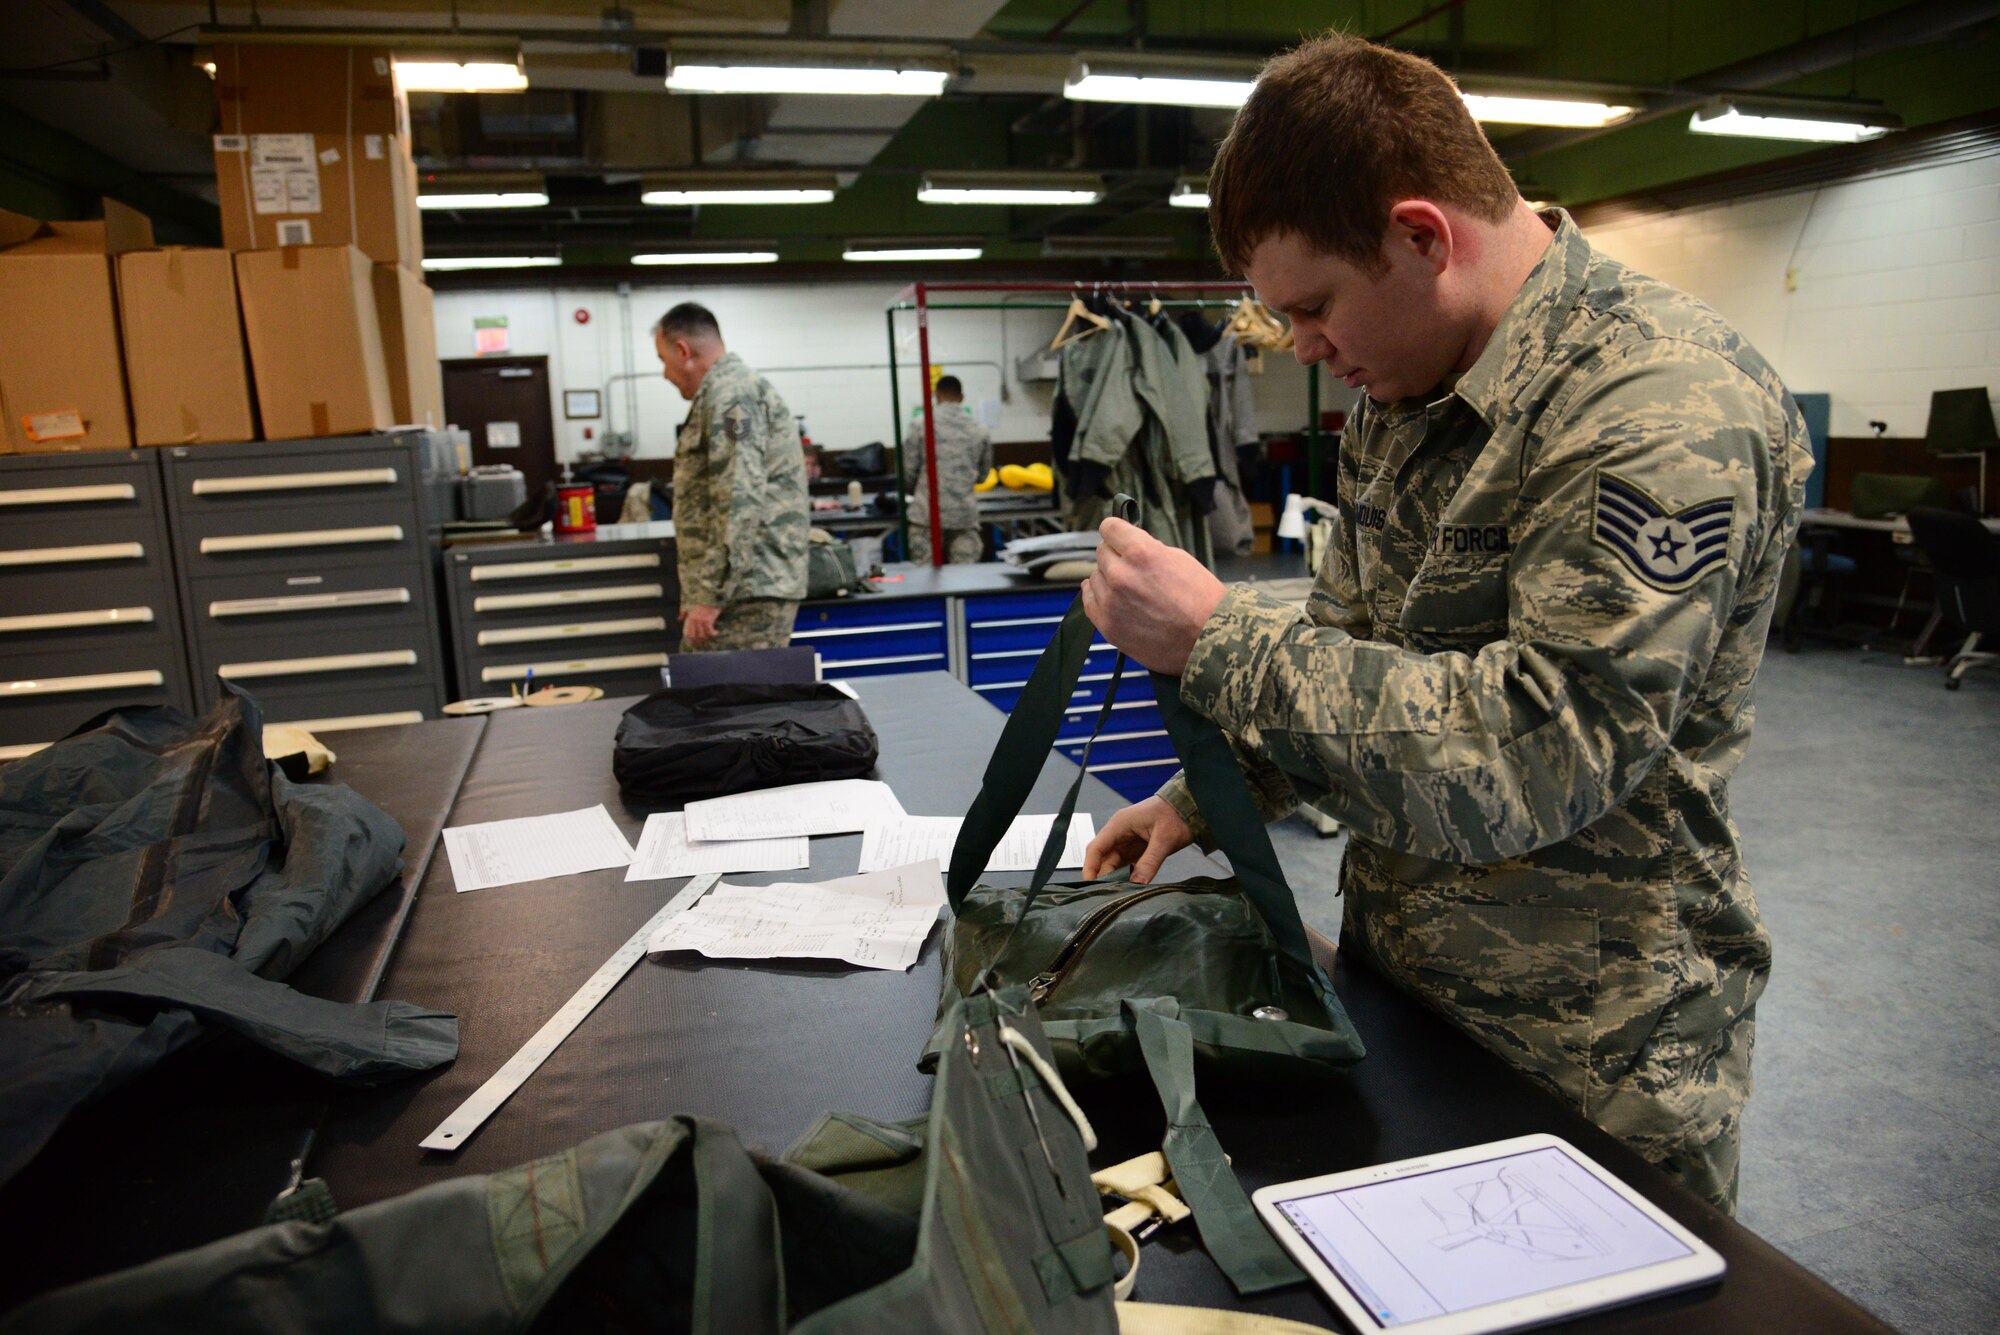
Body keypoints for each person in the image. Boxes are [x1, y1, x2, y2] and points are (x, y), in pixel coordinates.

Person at [1079, 32, 1813, 1215]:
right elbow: (1353, 645)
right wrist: (1204, 795)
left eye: (1314, 308)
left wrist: (1216, 638)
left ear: (1422, 236)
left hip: (1598, 1055)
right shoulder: (1406, 383)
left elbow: (1545, 751)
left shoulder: (1657, 402)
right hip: (1407, 997)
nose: (1307, 350)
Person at [655, 302, 809, 651]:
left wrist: (710, 595)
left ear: (683, 351)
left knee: (729, 700)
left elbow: (738, 497)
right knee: (720, 697)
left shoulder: (731, 394)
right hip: (741, 588)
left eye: (663, 360)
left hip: (746, 592)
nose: (665, 373)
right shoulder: (724, 391)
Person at [904, 375, 995, 564]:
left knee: (924, 580)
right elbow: (983, 475)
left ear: (937, 396)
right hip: (964, 516)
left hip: (926, 515)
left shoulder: (919, 425)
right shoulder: (980, 429)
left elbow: (907, 472)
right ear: (961, 398)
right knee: (963, 580)